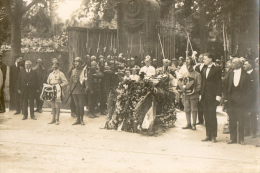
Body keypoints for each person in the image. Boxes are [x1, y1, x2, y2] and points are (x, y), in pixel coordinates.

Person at [224, 58, 249, 145]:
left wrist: (245, 99)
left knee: (241, 119)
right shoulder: (230, 73)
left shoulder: (246, 75)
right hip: (231, 100)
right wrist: (226, 98)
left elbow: (249, 89)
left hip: (241, 101)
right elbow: (225, 86)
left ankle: (241, 139)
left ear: (239, 64)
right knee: (232, 120)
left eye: (234, 62)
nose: (232, 64)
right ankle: (232, 138)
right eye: (232, 62)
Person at [200, 53, 222, 143]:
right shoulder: (203, 68)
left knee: (212, 116)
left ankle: (214, 136)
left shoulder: (217, 69)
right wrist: (201, 94)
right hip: (204, 96)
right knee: (206, 116)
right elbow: (203, 83)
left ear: (210, 59)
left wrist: (218, 96)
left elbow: (219, 83)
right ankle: (208, 135)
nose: (203, 60)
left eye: (205, 59)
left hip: (213, 96)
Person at [178, 57, 201, 130]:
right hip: (185, 95)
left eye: (190, 65)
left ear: (193, 66)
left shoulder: (197, 74)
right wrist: (182, 88)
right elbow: (181, 82)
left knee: (194, 109)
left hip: (194, 95)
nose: (188, 67)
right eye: (187, 66)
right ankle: (188, 124)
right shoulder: (184, 75)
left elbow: (199, 85)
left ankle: (194, 124)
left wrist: (194, 91)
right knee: (186, 109)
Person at [243, 60, 258, 138]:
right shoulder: (244, 74)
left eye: (245, 64)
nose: (244, 65)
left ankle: (254, 132)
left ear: (250, 65)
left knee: (253, 115)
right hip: (245, 98)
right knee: (245, 114)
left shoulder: (255, 74)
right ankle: (247, 131)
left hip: (253, 98)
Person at [70, 57, 86, 125]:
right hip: (74, 90)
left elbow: (85, 80)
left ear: (80, 63)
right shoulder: (73, 70)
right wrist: (70, 89)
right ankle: (77, 119)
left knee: (81, 105)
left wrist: (84, 87)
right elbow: (71, 80)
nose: (76, 63)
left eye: (77, 62)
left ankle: (82, 119)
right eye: (75, 62)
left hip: (81, 90)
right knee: (76, 105)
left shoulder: (83, 71)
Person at [194, 54, 205, 125]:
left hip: (204, 87)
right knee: (198, 104)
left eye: (202, 58)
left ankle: (206, 119)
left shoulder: (207, 66)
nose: (200, 59)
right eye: (199, 58)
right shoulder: (197, 67)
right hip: (198, 86)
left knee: (205, 104)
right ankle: (200, 120)